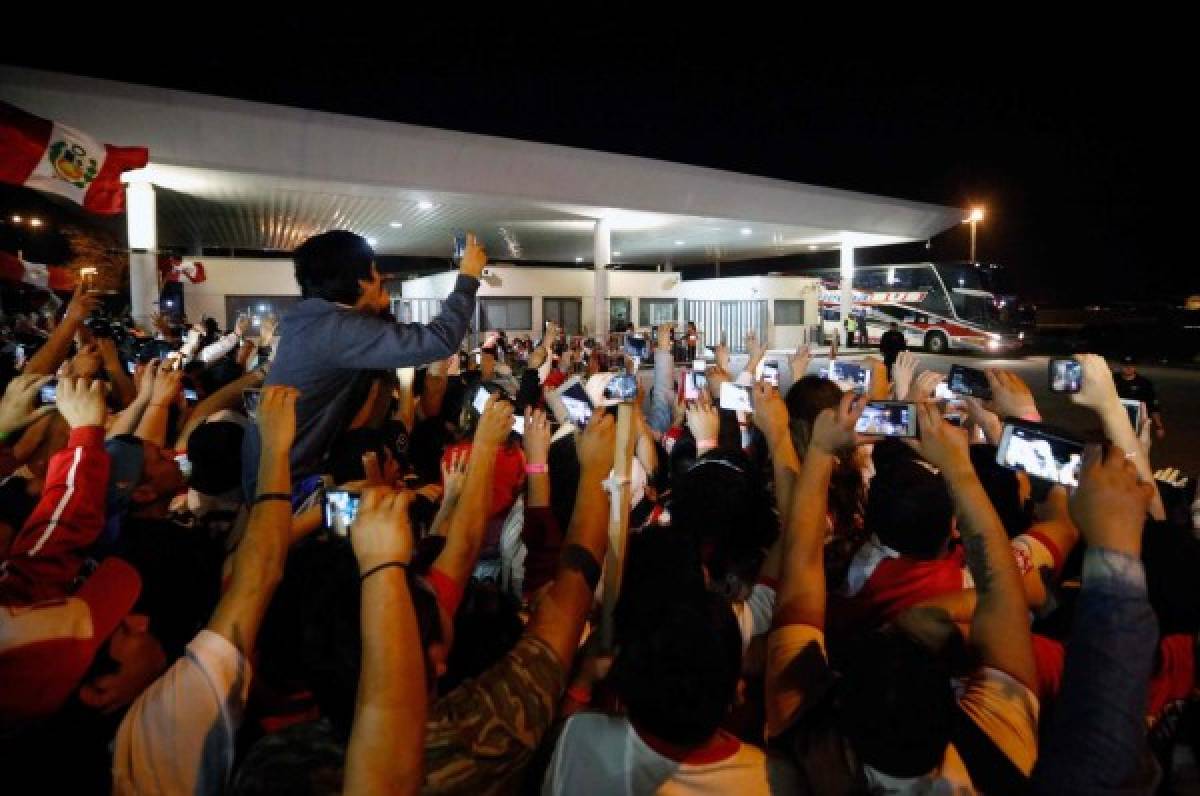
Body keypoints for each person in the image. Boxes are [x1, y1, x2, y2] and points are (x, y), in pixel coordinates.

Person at [243, 229, 486, 489]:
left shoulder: (311, 320)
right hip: (284, 482)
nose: (382, 277)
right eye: (374, 270)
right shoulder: (335, 330)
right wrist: (468, 277)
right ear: (360, 281)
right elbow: (439, 340)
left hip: (270, 469)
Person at [1114, 354, 1164, 440]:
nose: (1128, 367)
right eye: (1125, 365)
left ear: (1135, 367)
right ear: (1120, 366)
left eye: (1131, 365)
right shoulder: (1112, 380)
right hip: (1115, 423)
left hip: (1138, 424)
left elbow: (1153, 406)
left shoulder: (1144, 384)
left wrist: (1159, 426)